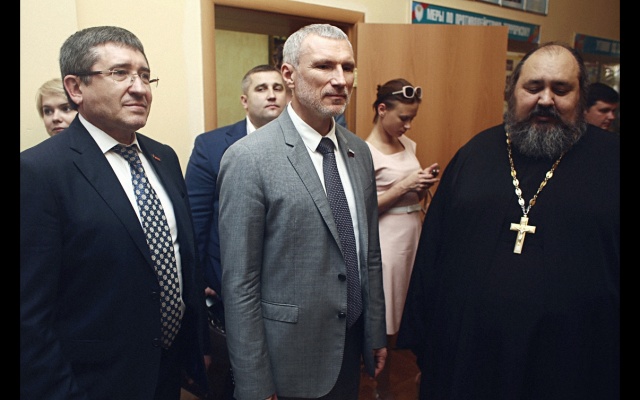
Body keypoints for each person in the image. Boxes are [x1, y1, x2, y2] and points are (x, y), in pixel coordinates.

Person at [397, 42, 620, 399]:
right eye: (534, 87)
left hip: (573, 359)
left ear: (580, 96)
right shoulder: (475, 154)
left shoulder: (611, 163)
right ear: (513, 91)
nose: (545, 99)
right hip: (469, 355)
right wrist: (425, 342)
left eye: (561, 89)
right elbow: (433, 253)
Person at [20, 26, 211, 400]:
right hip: (94, 381)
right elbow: (29, 315)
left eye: (145, 75)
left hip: (167, 370)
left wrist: (197, 347)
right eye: (120, 73)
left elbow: (182, 261)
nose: (140, 88)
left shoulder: (164, 157)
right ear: (76, 88)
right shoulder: (40, 171)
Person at [218, 23, 388, 400]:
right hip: (287, 358)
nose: (340, 80)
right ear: (289, 74)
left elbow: (370, 254)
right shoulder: (249, 158)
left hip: (349, 348)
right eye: (324, 66)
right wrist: (254, 382)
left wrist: (375, 331)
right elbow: (240, 283)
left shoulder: (359, 153)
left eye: (347, 67)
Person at [184, 64, 287, 398]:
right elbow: (195, 222)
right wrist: (201, 281)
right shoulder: (212, 146)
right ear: (244, 100)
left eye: (278, 87)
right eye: (261, 88)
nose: (271, 94)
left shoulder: (304, 145)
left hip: (288, 287)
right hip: (230, 287)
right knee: (240, 376)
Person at [364, 78, 439, 396]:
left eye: (412, 118)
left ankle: (415, 372)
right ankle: (380, 385)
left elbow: (413, 197)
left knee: (413, 302)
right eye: (403, 118)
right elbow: (365, 207)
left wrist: (421, 186)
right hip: (388, 239)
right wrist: (405, 185)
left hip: (413, 232)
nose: (408, 126)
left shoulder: (409, 145)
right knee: (387, 314)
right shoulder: (364, 152)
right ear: (382, 110)